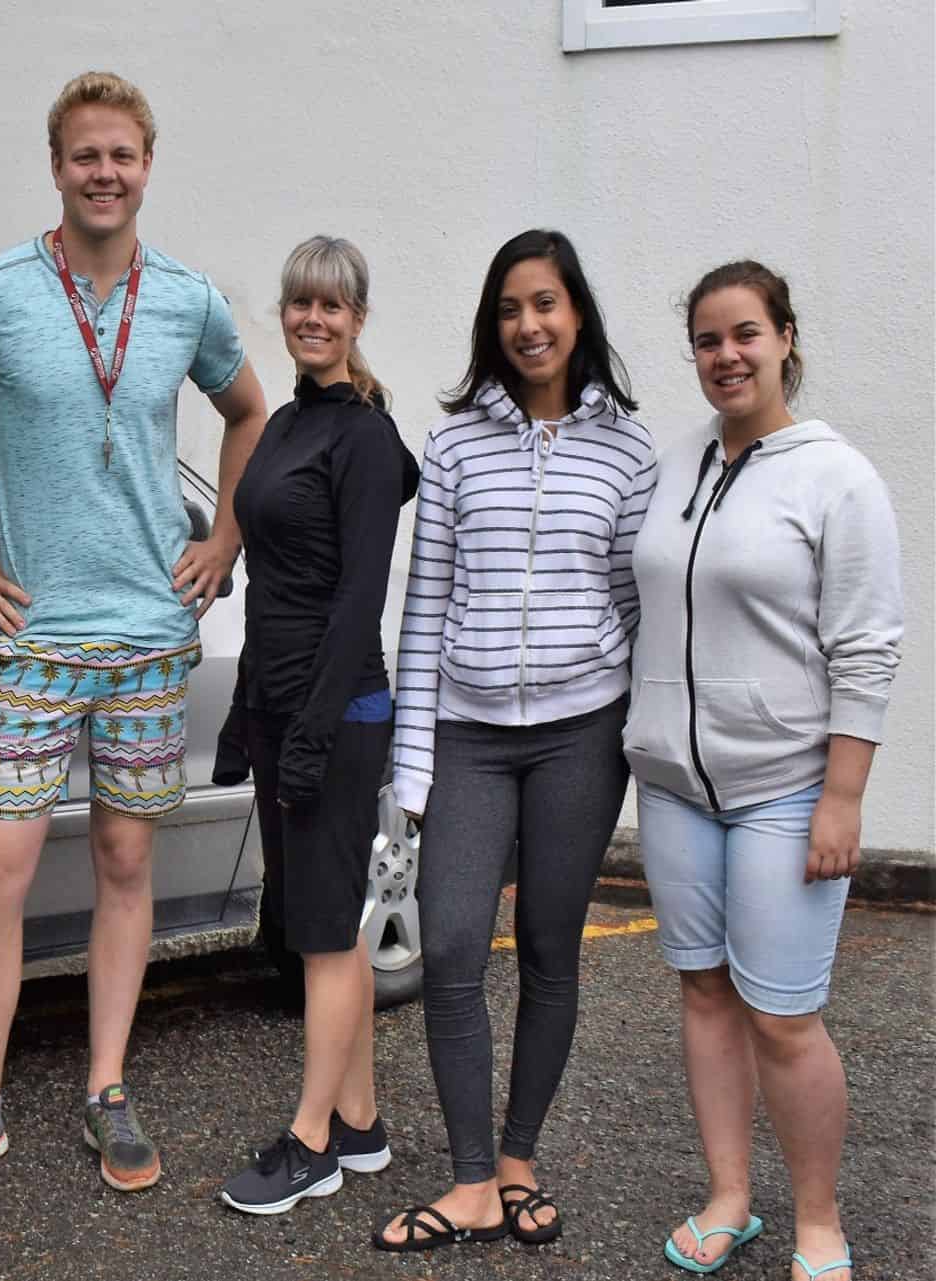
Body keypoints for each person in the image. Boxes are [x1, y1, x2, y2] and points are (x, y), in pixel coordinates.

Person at [0, 70, 268, 1199]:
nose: (104, 174)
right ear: (55, 167)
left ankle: (107, 1085)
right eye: (84, 156)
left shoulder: (190, 299)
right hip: (36, 634)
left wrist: (226, 545)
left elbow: (250, 411)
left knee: (122, 859)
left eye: (123, 156)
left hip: (152, 632)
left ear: (148, 166)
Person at [375, 229, 657, 1252]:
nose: (529, 325)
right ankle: (466, 1181)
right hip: (469, 735)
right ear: (492, 328)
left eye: (545, 304)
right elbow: (423, 608)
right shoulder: (454, 447)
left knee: (546, 946)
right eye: (509, 309)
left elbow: (635, 606)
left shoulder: (629, 450)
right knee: (450, 945)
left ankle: (519, 1156)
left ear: (577, 314)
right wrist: (412, 767)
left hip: (584, 736)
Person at [626, 262, 899, 1281]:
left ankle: (818, 1221)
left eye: (745, 333)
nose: (726, 355)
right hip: (673, 784)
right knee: (702, 990)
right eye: (706, 340)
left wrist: (843, 796)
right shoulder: (676, 463)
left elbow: (868, 648)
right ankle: (730, 1197)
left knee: (783, 1015)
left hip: (786, 787)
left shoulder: (838, 477)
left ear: (785, 337)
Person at [212, 236, 418, 1215]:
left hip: (337, 714)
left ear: (357, 320)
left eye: (333, 307)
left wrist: (309, 733)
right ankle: (364, 1122)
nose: (313, 319)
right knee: (315, 926)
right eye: (301, 303)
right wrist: (246, 715)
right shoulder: (289, 421)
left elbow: (354, 604)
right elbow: (270, 587)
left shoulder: (365, 440)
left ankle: (312, 1144)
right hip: (280, 705)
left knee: (327, 937)